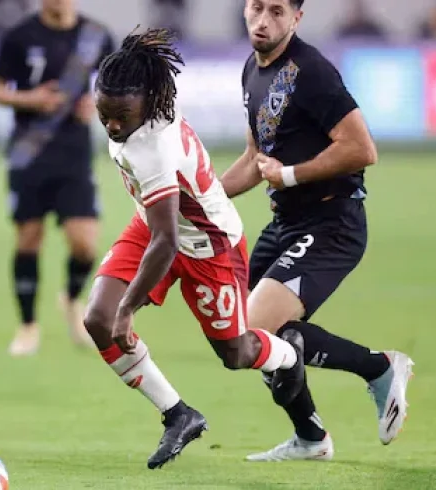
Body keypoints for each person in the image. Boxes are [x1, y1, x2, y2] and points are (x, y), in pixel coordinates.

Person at [86, 27, 307, 469]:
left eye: (121, 116)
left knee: (237, 353)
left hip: (208, 244)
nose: (112, 124)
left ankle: (287, 354)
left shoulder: (152, 146)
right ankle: (177, 414)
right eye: (104, 112)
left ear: (147, 104)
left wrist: (129, 309)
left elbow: (168, 243)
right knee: (98, 319)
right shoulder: (148, 98)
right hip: (157, 225)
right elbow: (161, 231)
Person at [221, 0, 413, 461]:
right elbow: (254, 160)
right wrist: (198, 199)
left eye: (276, 11)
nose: (263, 21)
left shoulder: (312, 71)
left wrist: (289, 175)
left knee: (256, 327)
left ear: (297, 18)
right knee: (239, 337)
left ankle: (379, 367)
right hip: (286, 222)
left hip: (333, 221)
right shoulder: (252, 68)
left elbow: (362, 149)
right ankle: (310, 437)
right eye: (255, 8)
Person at [0, 0, 114, 356]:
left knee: (85, 244)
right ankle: (28, 326)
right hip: (28, 154)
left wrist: (97, 103)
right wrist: (31, 99)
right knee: (29, 238)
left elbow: (116, 88)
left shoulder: (96, 36)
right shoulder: (20, 36)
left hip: (74, 156)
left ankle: (71, 298)